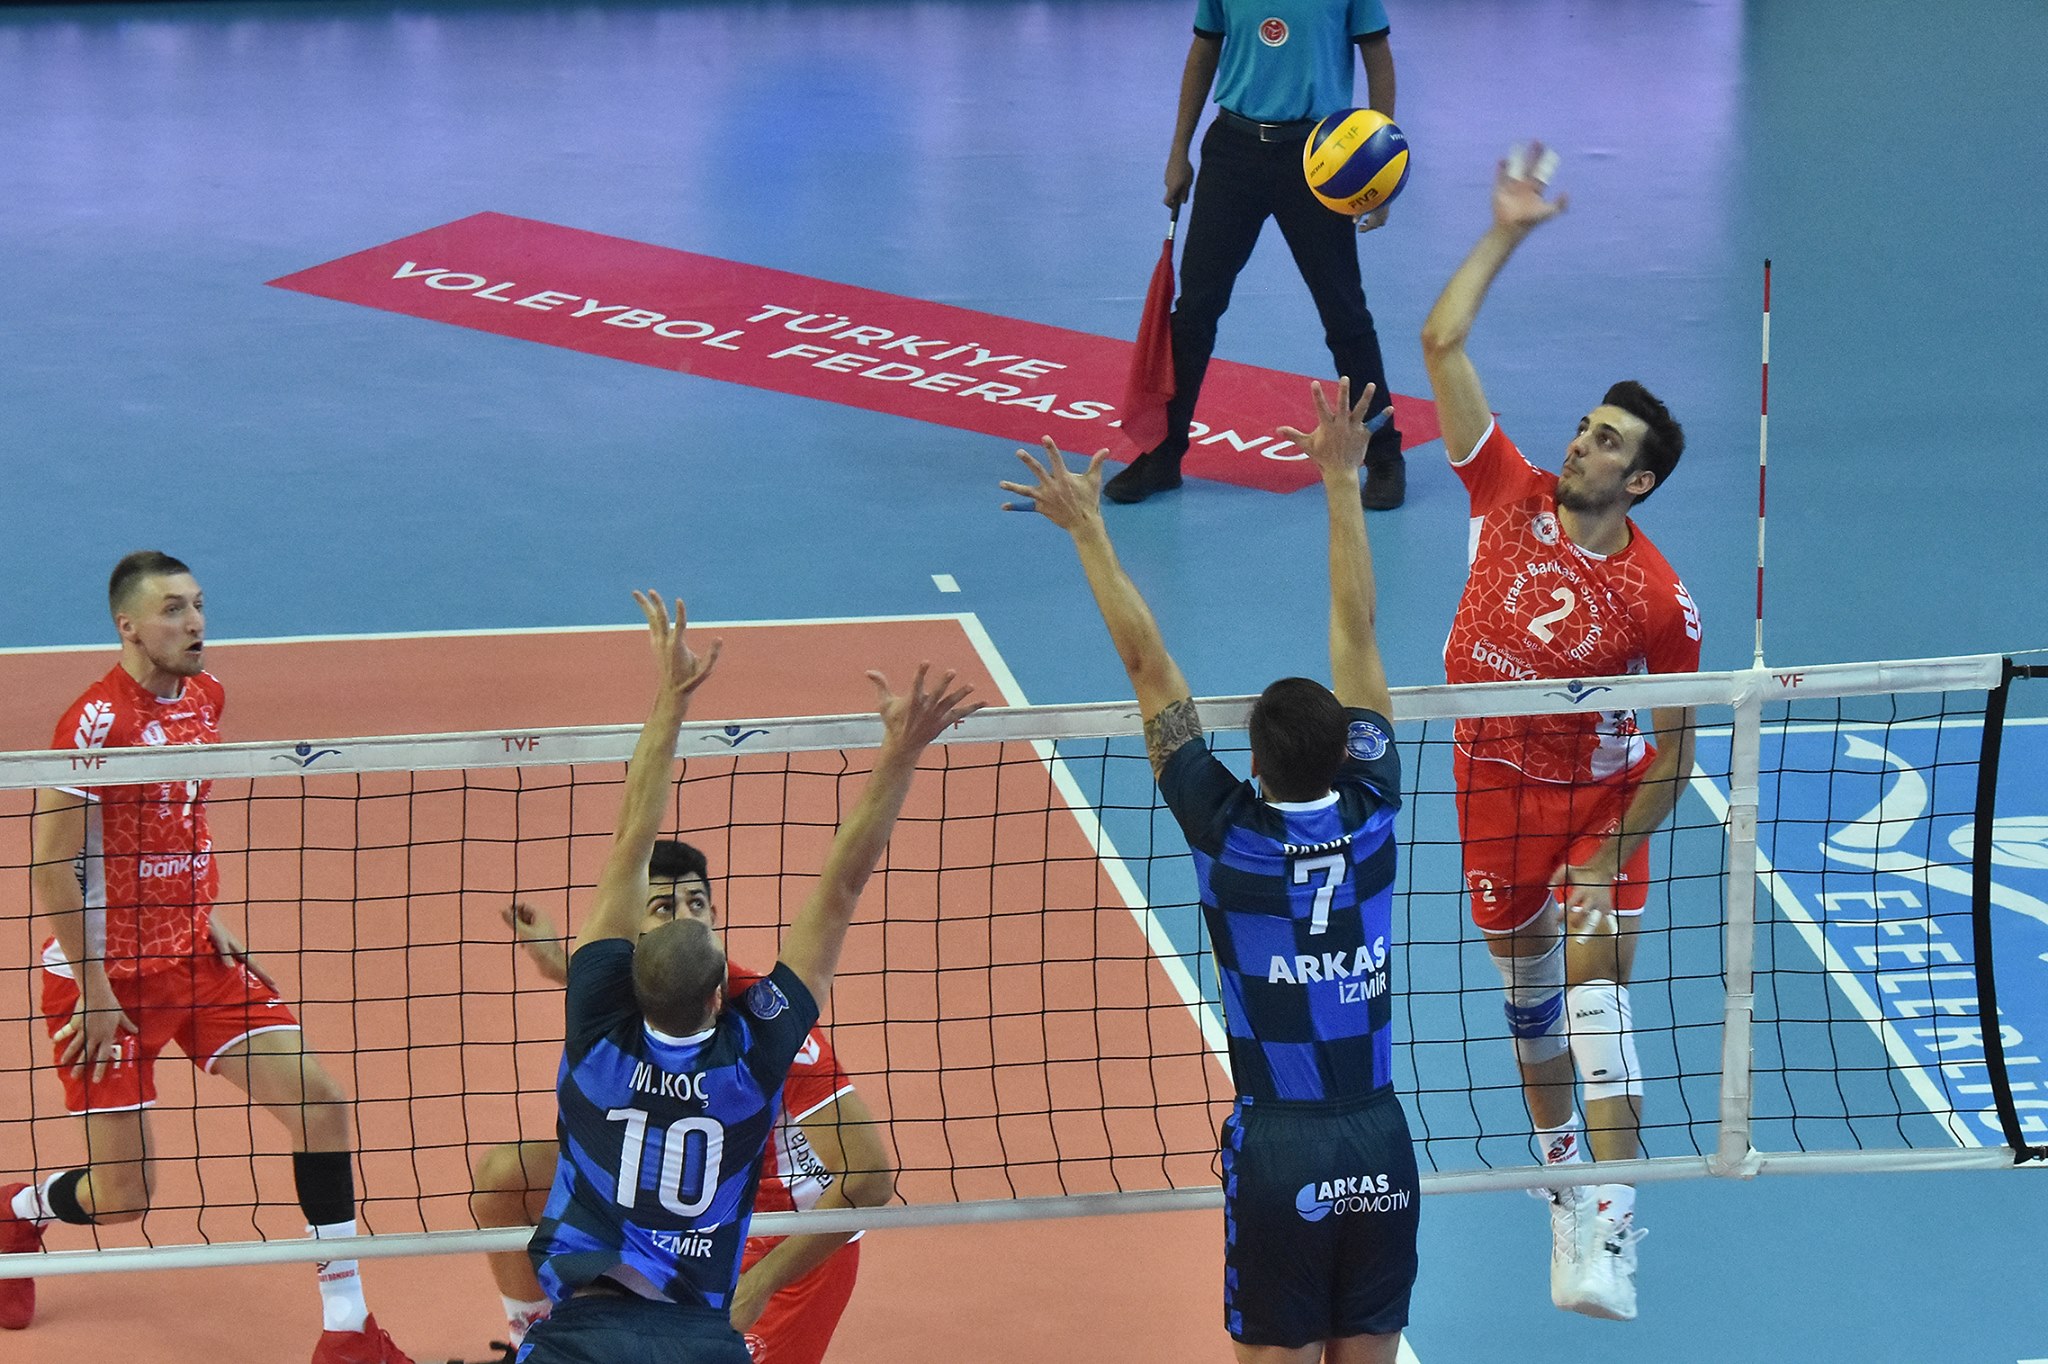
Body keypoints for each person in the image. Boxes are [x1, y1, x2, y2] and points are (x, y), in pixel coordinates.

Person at [1002, 379, 1417, 1363]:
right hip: (1378, 1136)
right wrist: (1341, 480)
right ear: (1346, 750)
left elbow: (1148, 667)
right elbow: (1357, 631)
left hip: (1279, 1145)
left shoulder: (1227, 832)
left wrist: (1087, 530)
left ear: (1255, 767)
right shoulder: (1373, 809)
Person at [514, 590, 977, 1364]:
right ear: (717, 995)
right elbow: (841, 887)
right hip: (700, 1335)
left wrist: (671, 696)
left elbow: (631, 840)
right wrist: (901, 752)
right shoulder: (753, 1054)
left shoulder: (594, 1031)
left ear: (625, 971)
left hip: (582, 1330)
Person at [1417, 143, 1700, 1322]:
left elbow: (1678, 749)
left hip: (1595, 806)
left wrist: (1609, 846)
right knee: (1528, 1008)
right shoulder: (1504, 491)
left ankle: (1614, 1226)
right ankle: (1559, 1183)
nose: (1582, 442)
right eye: (1584, 427)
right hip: (1487, 787)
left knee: (1595, 999)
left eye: (1607, 441)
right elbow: (1439, 342)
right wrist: (1506, 231)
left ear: (1639, 483)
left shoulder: (1656, 600)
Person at [0, 551, 411, 1362]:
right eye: (172, 610)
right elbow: (52, 864)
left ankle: (347, 1329)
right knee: (124, 1198)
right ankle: (17, 1210)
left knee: (321, 1107)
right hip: (106, 980)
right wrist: (94, 989)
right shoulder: (96, 722)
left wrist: (199, 911)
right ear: (128, 626)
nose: (195, 623)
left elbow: (175, 820)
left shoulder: (207, 697)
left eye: (197, 605)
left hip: (195, 959)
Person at [468, 839, 894, 1363]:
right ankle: (531, 1338)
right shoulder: (636, 985)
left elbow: (868, 1179)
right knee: (505, 1177)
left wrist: (759, 1284)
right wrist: (560, 963)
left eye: (696, 903)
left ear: (714, 917)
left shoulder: (769, 1020)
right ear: (635, 930)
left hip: (779, 1239)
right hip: (664, 1201)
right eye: (663, 907)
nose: (685, 919)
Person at [1107, 0, 1406, 510]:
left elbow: (1378, 57)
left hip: (1318, 160)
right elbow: (1204, 49)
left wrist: (1381, 169)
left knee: (1345, 313)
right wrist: (1178, 151)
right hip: (1232, 150)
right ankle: (1163, 456)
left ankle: (1384, 456)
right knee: (1194, 312)